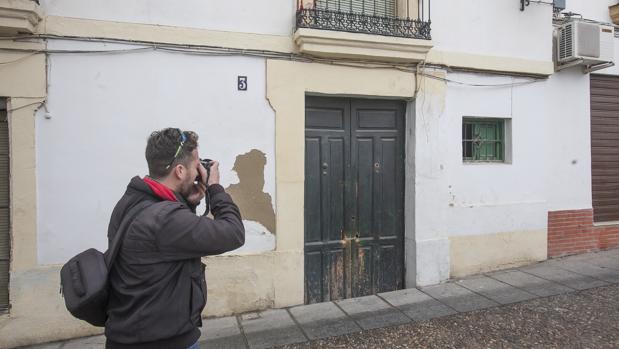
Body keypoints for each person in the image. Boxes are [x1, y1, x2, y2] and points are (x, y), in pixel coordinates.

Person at [104, 128, 245, 349]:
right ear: (180, 171)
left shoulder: (132, 200)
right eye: (195, 164)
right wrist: (215, 188)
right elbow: (233, 233)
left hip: (131, 334)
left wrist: (188, 203)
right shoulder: (165, 219)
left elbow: (171, 243)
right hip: (163, 342)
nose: (199, 170)